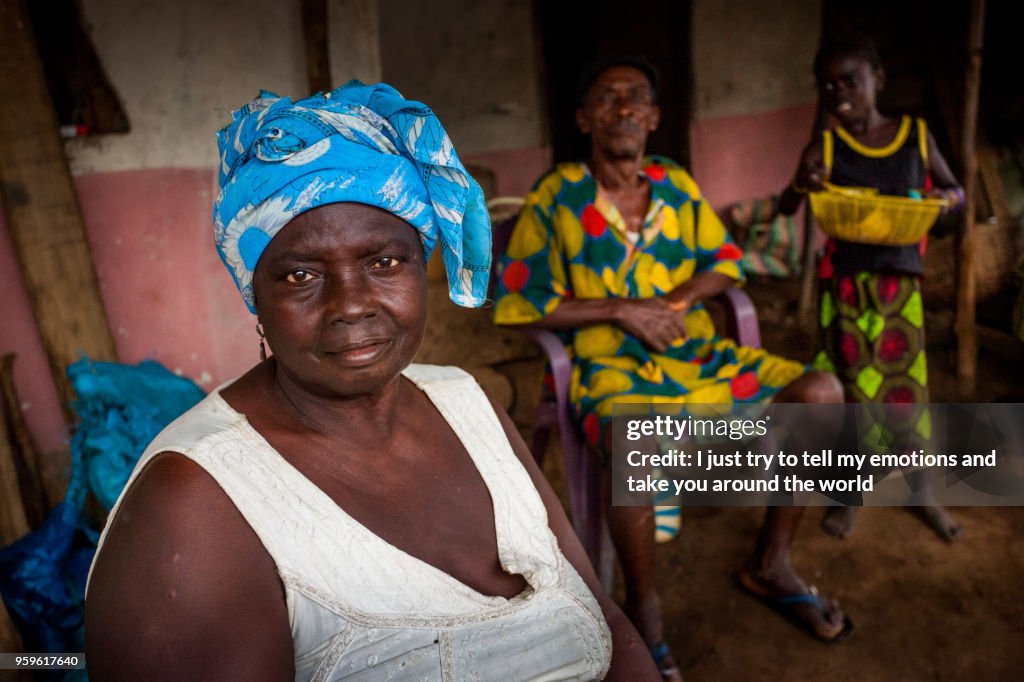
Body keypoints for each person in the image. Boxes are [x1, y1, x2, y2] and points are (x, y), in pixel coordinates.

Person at [84, 81, 661, 681]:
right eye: (300, 275)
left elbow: (608, 625)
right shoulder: (195, 502)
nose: (351, 305)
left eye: (384, 262)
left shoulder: (462, 397)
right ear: (254, 294)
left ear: (420, 267)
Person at [494, 56, 853, 679]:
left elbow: (724, 259)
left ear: (656, 117)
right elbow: (524, 301)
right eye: (608, 98)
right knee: (633, 436)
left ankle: (771, 562)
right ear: (584, 118)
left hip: (697, 355)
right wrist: (621, 310)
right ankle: (644, 607)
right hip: (612, 366)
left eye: (638, 98)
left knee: (820, 392)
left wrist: (676, 302)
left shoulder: (675, 183)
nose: (626, 108)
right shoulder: (557, 196)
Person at [778, 33, 965, 541]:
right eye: (828, 84)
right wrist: (801, 178)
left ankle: (921, 489)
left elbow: (956, 193)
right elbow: (786, 209)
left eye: (851, 80)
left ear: (877, 80)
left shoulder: (916, 135)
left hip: (899, 290)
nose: (839, 91)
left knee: (907, 395)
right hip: (844, 290)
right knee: (854, 398)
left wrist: (947, 202)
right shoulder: (826, 146)